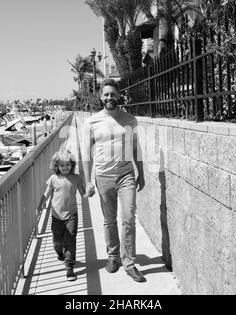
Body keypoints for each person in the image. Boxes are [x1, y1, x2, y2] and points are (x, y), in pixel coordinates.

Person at [82, 79, 146, 282]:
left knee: (128, 218)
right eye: (106, 94)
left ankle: (129, 262)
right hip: (103, 177)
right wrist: (88, 180)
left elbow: (136, 148)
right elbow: (86, 153)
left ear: (119, 95)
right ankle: (113, 256)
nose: (109, 97)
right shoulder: (91, 122)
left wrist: (141, 172)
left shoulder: (129, 119)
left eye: (113, 94)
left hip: (126, 175)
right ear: (101, 97)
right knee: (109, 220)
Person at [38, 148, 87, 282]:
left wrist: (89, 192)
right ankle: (59, 252)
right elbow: (47, 193)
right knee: (57, 240)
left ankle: (69, 268)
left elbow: (83, 194)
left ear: (72, 165)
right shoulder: (54, 178)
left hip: (72, 214)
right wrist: (40, 204)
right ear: (56, 166)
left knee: (70, 241)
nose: (65, 167)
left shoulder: (77, 178)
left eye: (67, 164)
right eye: (62, 165)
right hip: (56, 216)